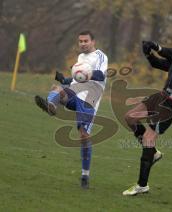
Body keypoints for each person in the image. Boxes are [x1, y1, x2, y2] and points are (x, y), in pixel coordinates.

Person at [123, 16, 172, 196]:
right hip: (164, 95)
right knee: (129, 117)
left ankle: (142, 185)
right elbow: (160, 63)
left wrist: (157, 46)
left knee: (149, 137)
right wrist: (149, 53)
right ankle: (154, 153)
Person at [35, 30, 108, 189]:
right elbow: (78, 77)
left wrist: (86, 74)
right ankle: (51, 106)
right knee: (57, 89)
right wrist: (65, 79)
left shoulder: (101, 56)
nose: (82, 44)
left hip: (90, 99)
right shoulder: (81, 57)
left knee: (83, 136)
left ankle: (85, 175)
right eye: (80, 41)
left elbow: (101, 76)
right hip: (76, 92)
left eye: (85, 41)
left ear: (93, 41)